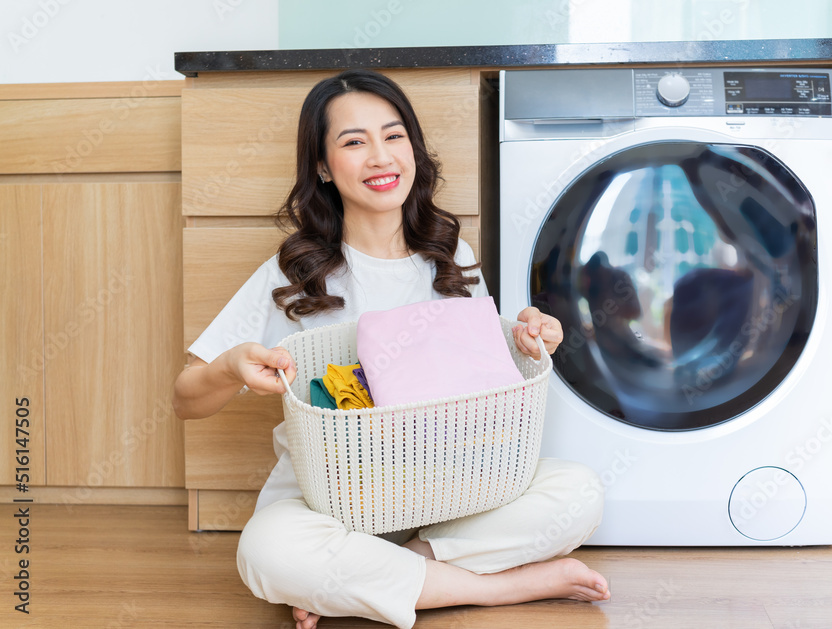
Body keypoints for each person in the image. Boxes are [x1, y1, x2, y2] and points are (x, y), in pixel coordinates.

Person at [172, 69, 610, 629]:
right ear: (323, 168)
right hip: (328, 509)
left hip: (453, 495)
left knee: (578, 493)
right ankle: (497, 590)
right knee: (265, 551)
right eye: (354, 142)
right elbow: (187, 399)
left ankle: (383, 579)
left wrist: (526, 339)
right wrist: (232, 366)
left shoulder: (453, 258)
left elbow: (490, 383)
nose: (381, 157)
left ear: (415, 151)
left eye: (394, 136)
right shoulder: (296, 275)